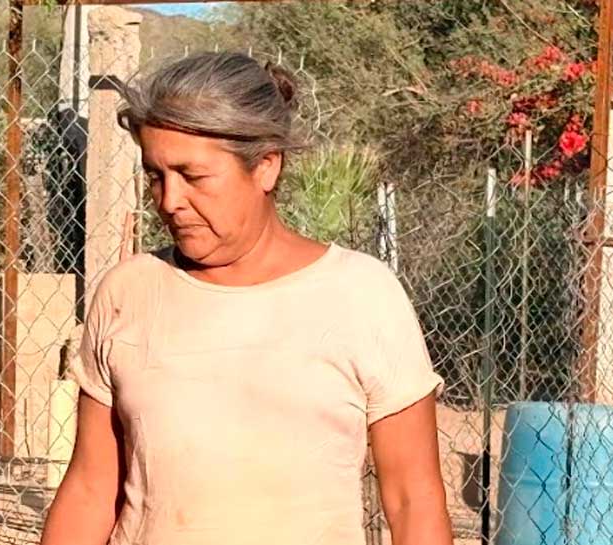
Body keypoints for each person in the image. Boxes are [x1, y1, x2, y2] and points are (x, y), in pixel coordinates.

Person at [39, 51, 452, 545]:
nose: (169, 200)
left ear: (266, 167)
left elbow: (413, 499)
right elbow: (90, 489)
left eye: (193, 176)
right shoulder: (129, 292)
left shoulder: (361, 294)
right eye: (155, 175)